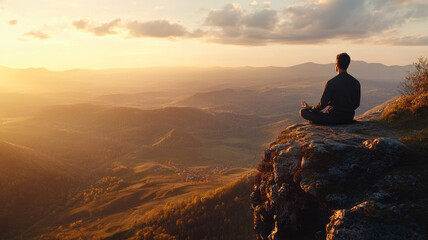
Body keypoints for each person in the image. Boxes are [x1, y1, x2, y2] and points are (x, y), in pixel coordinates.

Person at [300, 53, 361, 124]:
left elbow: (322, 104)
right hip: (348, 117)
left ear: (337, 65)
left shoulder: (331, 82)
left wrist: (310, 108)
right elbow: (357, 104)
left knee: (303, 112)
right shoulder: (356, 82)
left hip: (332, 118)